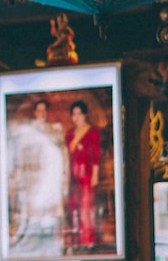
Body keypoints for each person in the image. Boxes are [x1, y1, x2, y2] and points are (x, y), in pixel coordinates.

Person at [8, 98, 69, 250]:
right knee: (33, 213)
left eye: (44, 111)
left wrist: (63, 175)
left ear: (47, 113)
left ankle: (54, 244)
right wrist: (20, 173)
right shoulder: (28, 131)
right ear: (35, 113)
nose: (41, 114)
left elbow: (63, 154)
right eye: (39, 111)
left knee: (51, 212)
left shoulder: (54, 130)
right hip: (33, 177)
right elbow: (22, 154)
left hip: (50, 175)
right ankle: (32, 243)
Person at [65, 99, 101, 248]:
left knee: (86, 207)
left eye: (79, 114)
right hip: (72, 174)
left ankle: (88, 240)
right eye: (74, 114)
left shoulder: (92, 132)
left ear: (85, 115)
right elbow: (66, 155)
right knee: (73, 207)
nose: (77, 117)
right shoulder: (69, 134)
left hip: (86, 174)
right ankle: (77, 240)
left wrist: (95, 174)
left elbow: (96, 154)